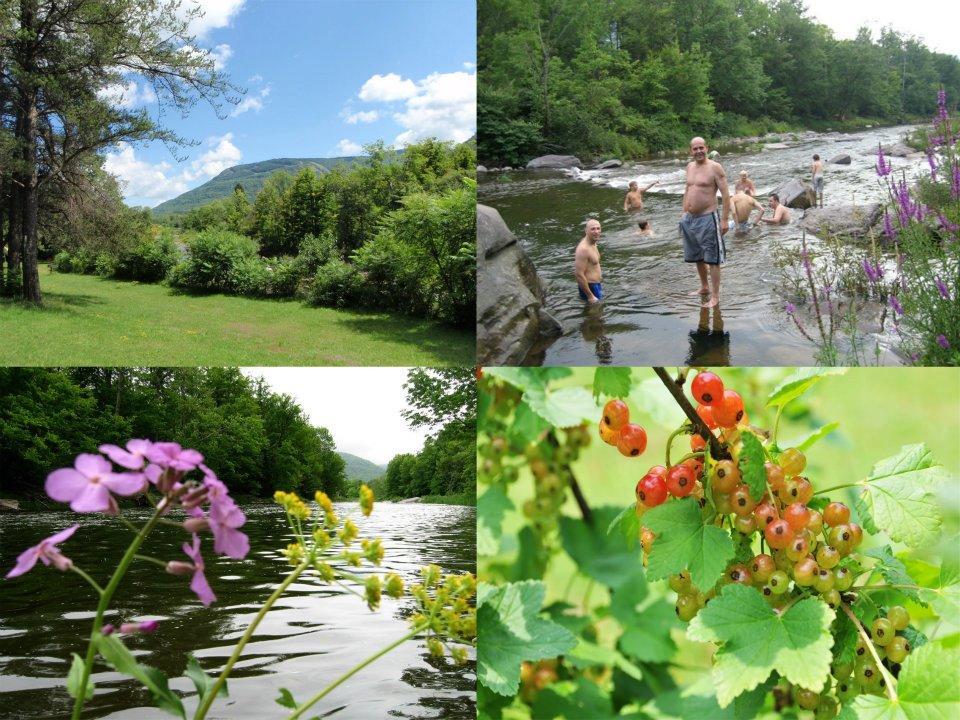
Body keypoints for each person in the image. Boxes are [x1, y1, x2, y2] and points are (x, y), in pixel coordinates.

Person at [680, 136, 730, 309]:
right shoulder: (690, 166)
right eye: (695, 149)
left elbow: (725, 194)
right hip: (689, 219)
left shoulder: (715, 168)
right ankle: (704, 287)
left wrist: (724, 220)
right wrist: (683, 212)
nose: (699, 151)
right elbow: (687, 189)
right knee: (697, 256)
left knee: (712, 258)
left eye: (701, 148)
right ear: (690, 151)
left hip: (708, 218)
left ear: (707, 148)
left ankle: (715, 296)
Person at [575, 218, 603, 303]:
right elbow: (578, 274)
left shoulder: (593, 241)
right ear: (586, 231)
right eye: (593, 229)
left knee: (599, 313)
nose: (596, 231)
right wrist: (590, 296)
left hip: (596, 285)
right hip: (591, 287)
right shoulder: (583, 249)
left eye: (598, 228)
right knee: (595, 315)